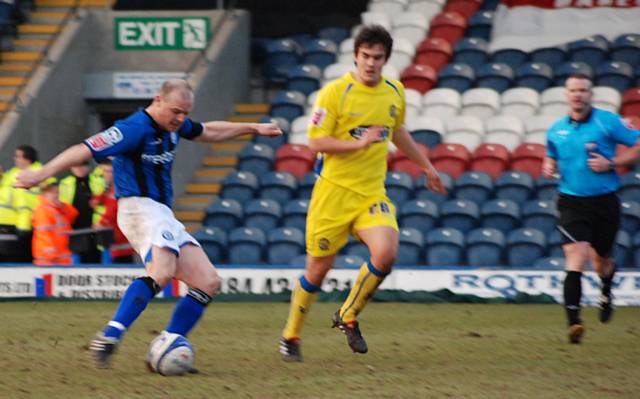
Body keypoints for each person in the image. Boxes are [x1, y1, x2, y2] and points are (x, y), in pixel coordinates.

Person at [15, 79, 282, 369]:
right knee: (162, 271)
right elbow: (85, 148)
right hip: (138, 207)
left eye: (185, 113)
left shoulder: (175, 125)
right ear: (158, 100)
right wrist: (41, 174)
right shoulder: (133, 128)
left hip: (161, 212)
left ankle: (167, 345)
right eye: (176, 111)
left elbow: (208, 131)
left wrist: (252, 128)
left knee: (208, 281)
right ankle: (110, 334)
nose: (180, 119)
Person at [278, 25, 446, 362]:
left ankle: (348, 315)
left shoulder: (394, 92)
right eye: (365, 56)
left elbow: (397, 131)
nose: (370, 63)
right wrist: (359, 143)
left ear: (386, 59)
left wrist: (426, 165)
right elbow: (316, 142)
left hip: (371, 194)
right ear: (355, 56)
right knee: (317, 270)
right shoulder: (334, 94)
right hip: (333, 194)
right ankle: (291, 335)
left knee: (386, 252)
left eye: (377, 58)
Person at [542, 73, 640, 344]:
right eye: (573, 90)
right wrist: (548, 165)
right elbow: (550, 153)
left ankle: (606, 291)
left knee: (602, 261)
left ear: (590, 94)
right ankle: (574, 322)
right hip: (571, 201)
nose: (578, 95)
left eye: (583, 90)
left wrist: (613, 163)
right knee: (577, 255)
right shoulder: (556, 129)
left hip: (605, 201)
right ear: (566, 95)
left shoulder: (607, 122)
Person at [0, 145, 44, 262]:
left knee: (19, 261)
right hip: (10, 226)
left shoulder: (37, 173)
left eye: (18, 156)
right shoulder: (13, 173)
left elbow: (25, 205)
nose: (15, 159)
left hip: (25, 226)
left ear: (28, 158)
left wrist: (24, 227)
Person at [59, 160, 106, 263]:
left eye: (83, 166)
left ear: (88, 167)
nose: (80, 169)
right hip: (74, 227)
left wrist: (100, 222)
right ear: (71, 168)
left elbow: (104, 205)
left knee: (94, 257)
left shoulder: (98, 182)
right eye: (76, 166)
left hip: (93, 227)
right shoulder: (65, 183)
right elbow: (62, 206)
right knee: (75, 258)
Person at [91, 159, 135, 264]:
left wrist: (101, 223)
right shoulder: (111, 189)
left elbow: (111, 211)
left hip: (119, 241)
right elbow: (95, 202)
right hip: (115, 240)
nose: (107, 175)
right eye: (105, 171)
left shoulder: (119, 190)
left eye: (109, 171)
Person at [31, 182, 78, 265]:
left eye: (57, 192)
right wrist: (50, 250)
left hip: (61, 255)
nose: (55, 195)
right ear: (44, 193)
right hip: (48, 257)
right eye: (52, 192)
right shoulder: (42, 209)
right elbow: (43, 232)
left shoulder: (57, 208)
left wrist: (62, 206)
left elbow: (73, 214)